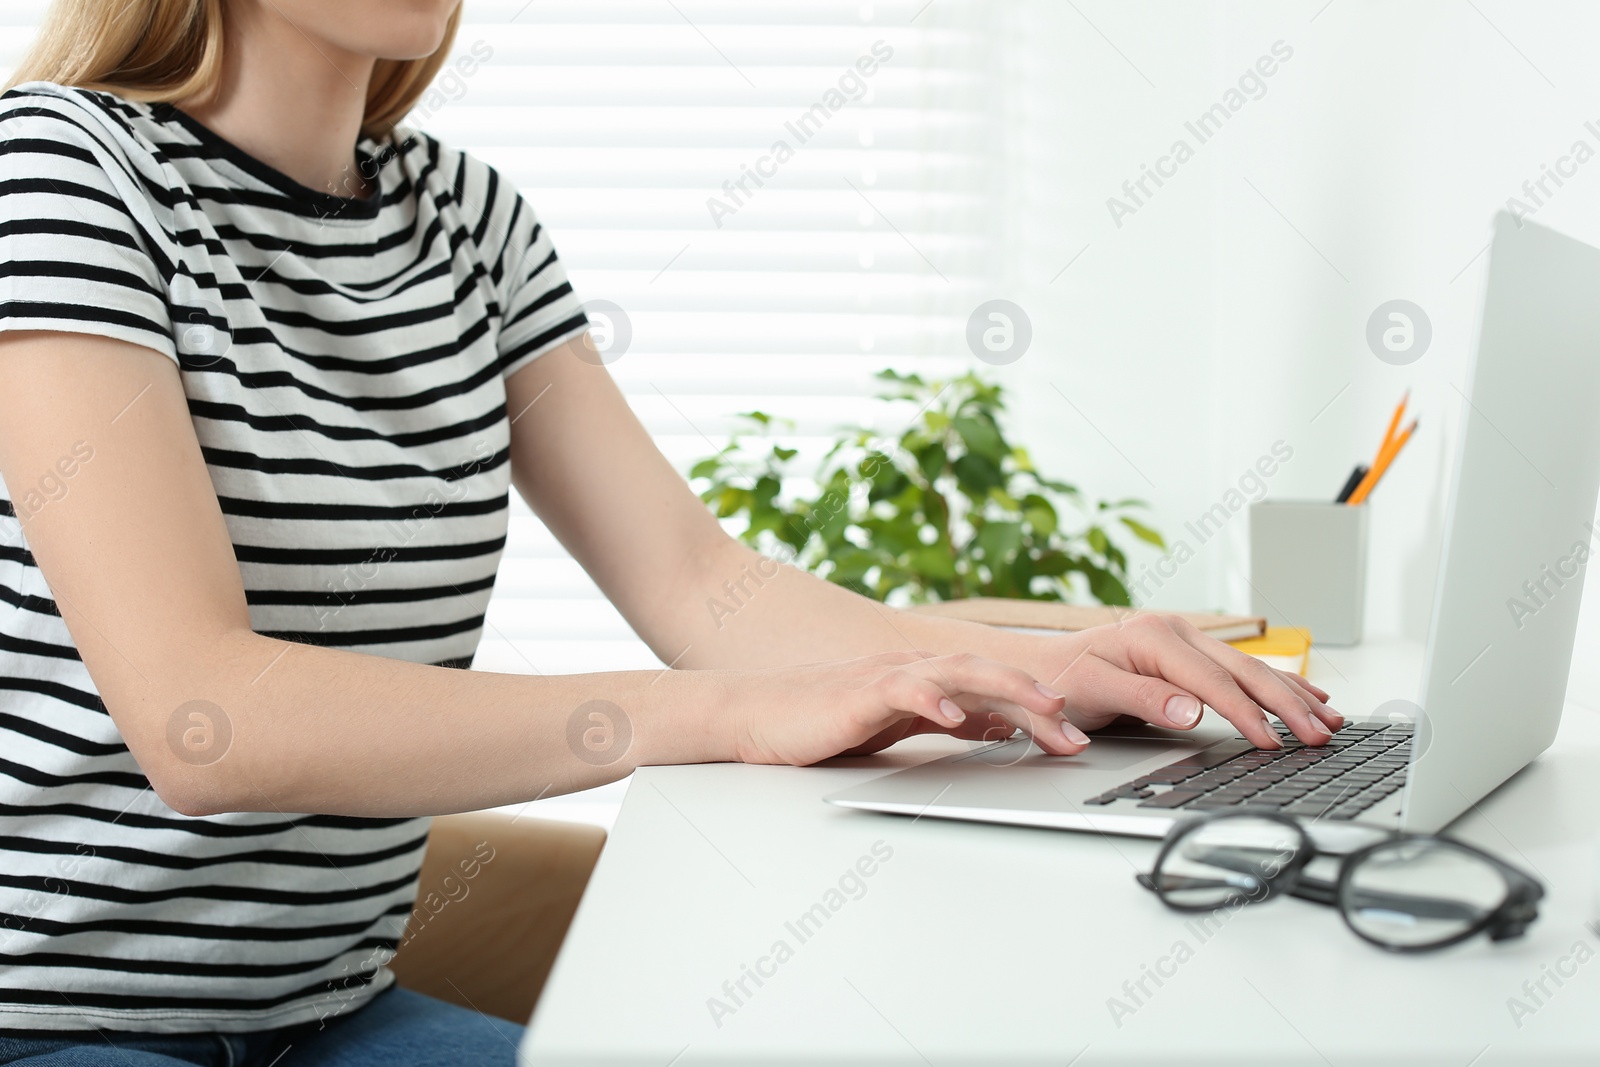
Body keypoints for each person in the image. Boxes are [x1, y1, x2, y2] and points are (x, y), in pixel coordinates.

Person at [0, 0, 1342, 1062]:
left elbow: (704, 583)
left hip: (334, 1014)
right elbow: (200, 722)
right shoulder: (65, 174)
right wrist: (730, 714)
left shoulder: (468, 226)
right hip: (54, 1024)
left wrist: (1056, 666)